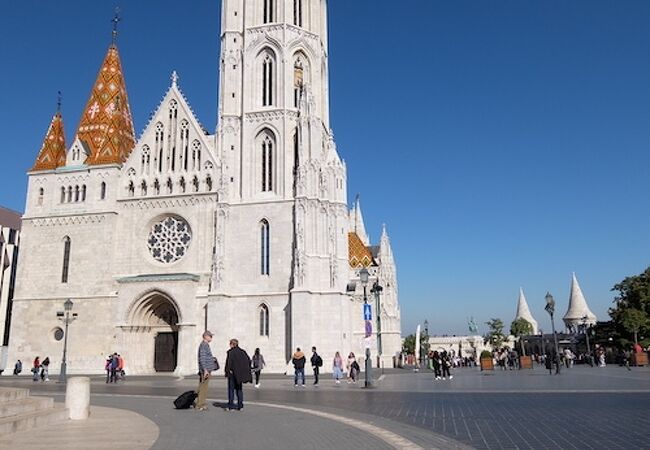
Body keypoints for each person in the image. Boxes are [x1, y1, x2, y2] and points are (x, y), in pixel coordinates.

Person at [224, 338, 252, 411]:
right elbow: (248, 361)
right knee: (239, 390)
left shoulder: (231, 352)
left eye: (230, 344)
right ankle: (240, 406)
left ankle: (231, 406)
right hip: (240, 375)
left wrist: (227, 372)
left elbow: (228, 363)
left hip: (232, 374)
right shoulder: (243, 352)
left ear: (232, 344)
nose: (229, 345)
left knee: (231, 390)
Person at [196, 330, 217, 411]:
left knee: (203, 386)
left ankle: (201, 403)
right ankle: (200, 404)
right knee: (203, 387)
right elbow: (203, 357)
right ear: (206, 336)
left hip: (207, 369)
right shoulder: (204, 345)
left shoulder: (205, 345)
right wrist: (205, 370)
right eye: (210, 336)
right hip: (206, 370)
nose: (211, 338)